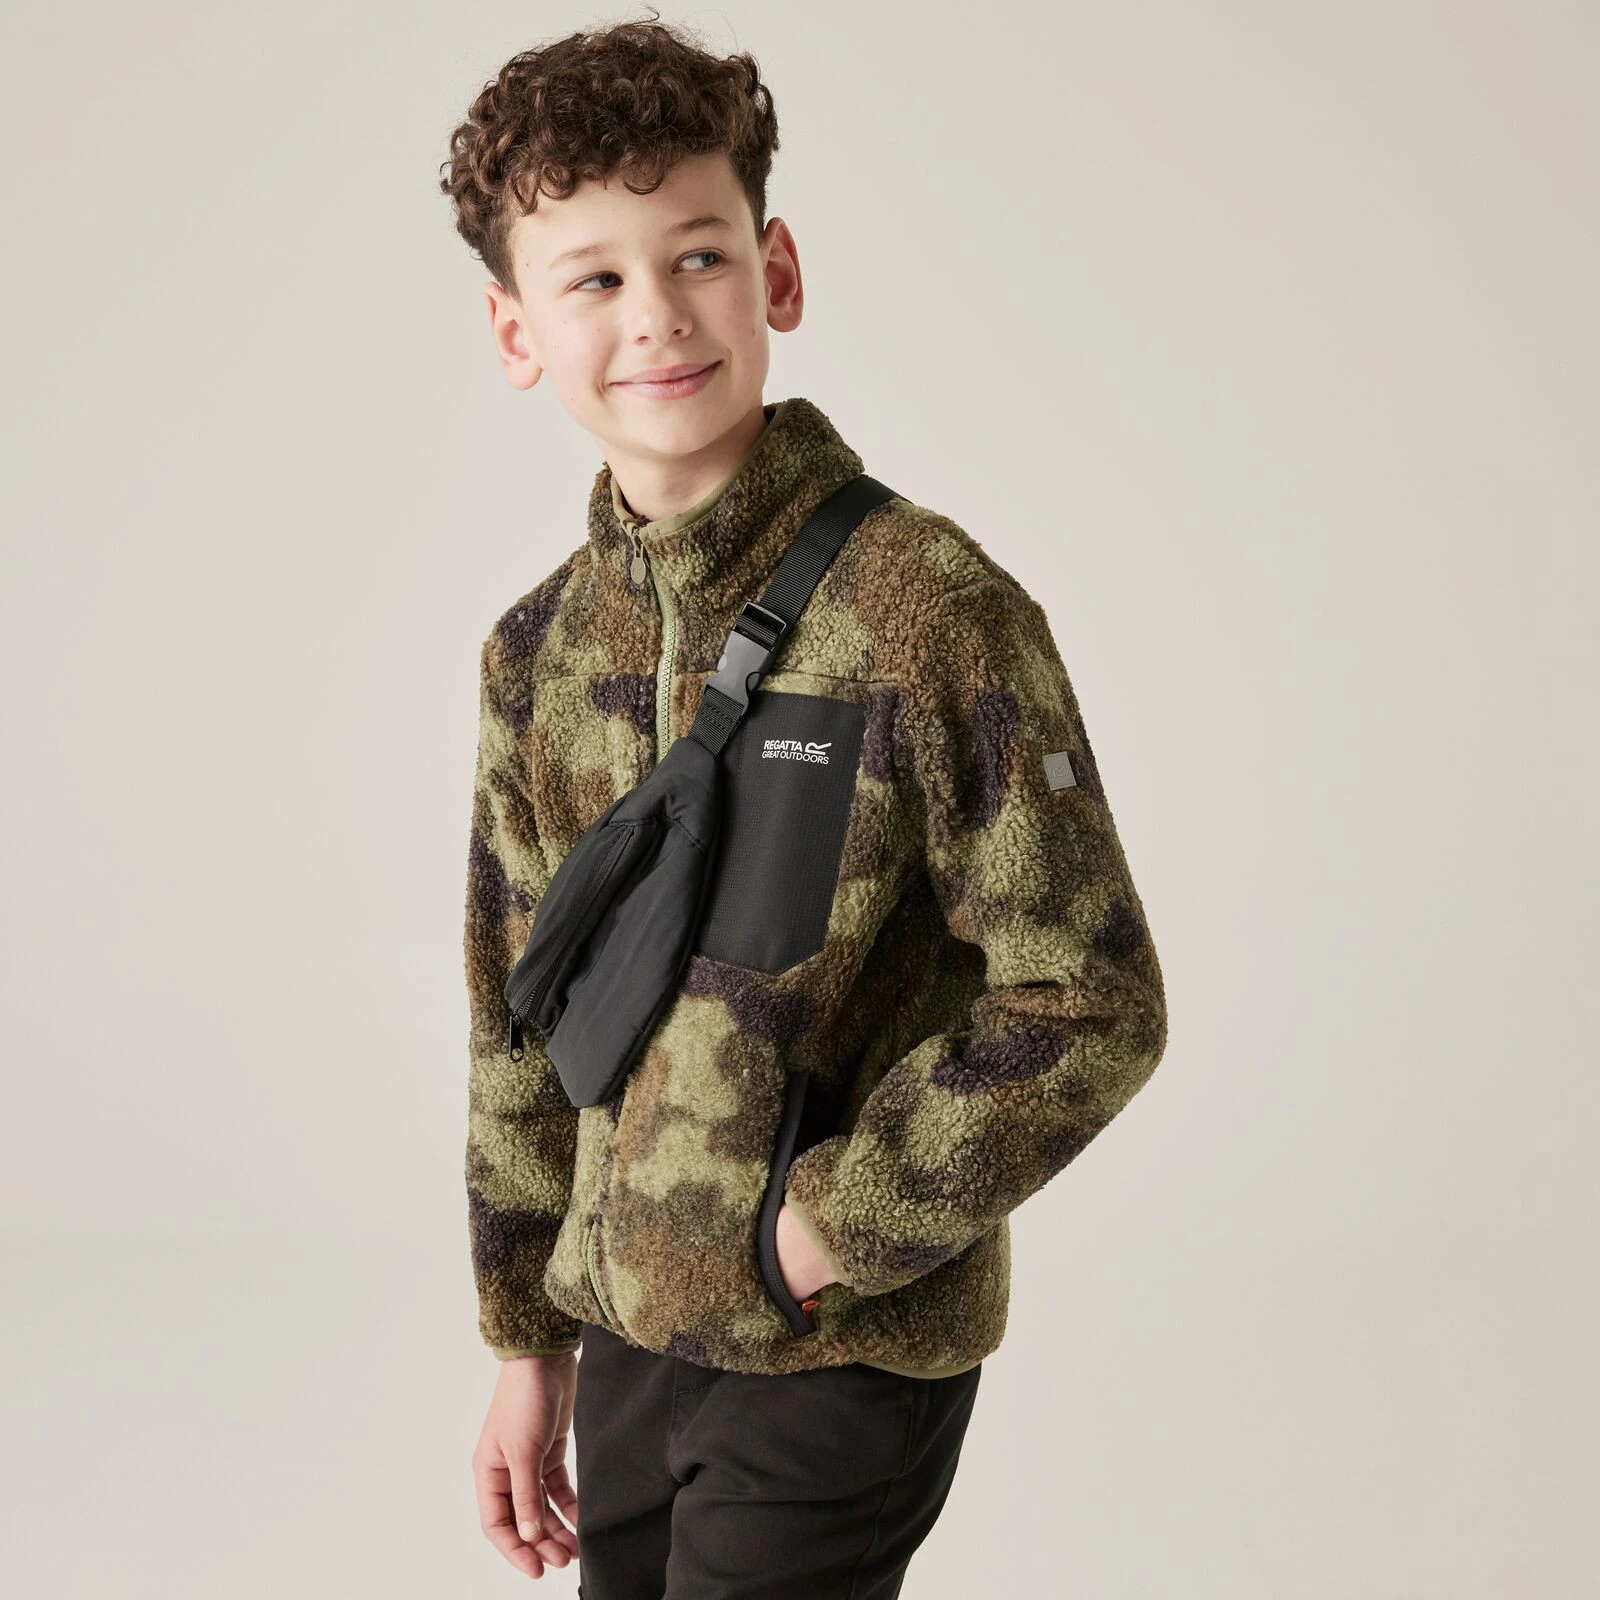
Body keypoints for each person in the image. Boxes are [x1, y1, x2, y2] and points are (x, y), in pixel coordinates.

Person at [439, 15, 1168, 1596]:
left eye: (696, 256)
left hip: (837, 1345)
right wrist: (526, 1340)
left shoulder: (929, 610)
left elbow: (1090, 998)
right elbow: (518, 1018)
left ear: (773, 272)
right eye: (594, 278)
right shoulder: (536, 652)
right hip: (627, 1332)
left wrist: (827, 1228)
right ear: (516, 331)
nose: (656, 313)